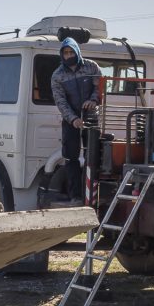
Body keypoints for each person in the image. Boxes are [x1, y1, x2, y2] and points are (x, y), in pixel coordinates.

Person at [51, 37, 101, 202]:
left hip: (92, 117)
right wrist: (73, 119)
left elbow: (99, 86)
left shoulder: (91, 66)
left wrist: (93, 100)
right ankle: (76, 196)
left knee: (92, 155)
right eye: (65, 52)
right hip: (70, 120)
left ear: (77, 51)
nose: (69, 55)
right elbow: (61, 102)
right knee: (71, 157)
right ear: (62, 55)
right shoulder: (57, 75)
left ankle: (93, 195)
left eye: (71, 51)